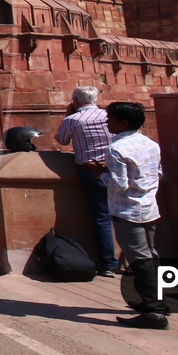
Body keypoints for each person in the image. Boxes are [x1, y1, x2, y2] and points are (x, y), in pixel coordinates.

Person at [85, 102, 168, 329]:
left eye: (111, 120)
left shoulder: (116, 149)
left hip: (127, 210)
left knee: (140, 260)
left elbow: (120, 185)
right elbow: (157, 173)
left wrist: (100, 173)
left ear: (123, 122)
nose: (107, 124)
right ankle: (156, 301)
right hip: (149, 207)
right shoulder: (150, 144)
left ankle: (155, 312)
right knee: (150, 254)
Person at [54, 85, 116, 276]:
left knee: (101, 216)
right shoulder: (110, 116)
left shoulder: (73, 119)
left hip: (90, 171)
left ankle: (108, 264)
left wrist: (67, 115)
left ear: (75, 101)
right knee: (124, 214)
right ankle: (138, 262)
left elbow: (62, 140)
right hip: (116, 166)